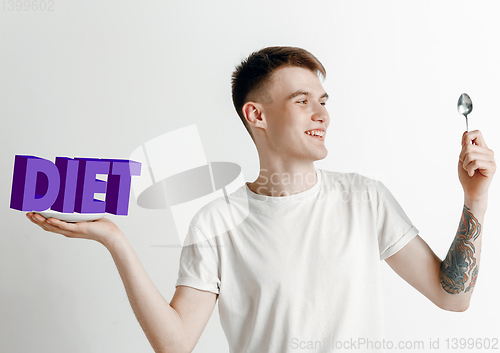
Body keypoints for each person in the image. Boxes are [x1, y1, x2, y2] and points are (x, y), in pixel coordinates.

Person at [27, 46, 496, 353]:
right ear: (257, 115)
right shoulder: (216, 223)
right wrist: (116, 241)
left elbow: (452, 298)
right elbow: (175, 343)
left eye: (324, 101)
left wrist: (474, 198)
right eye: (302, 101)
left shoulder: (364, 199)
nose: (322, 115)